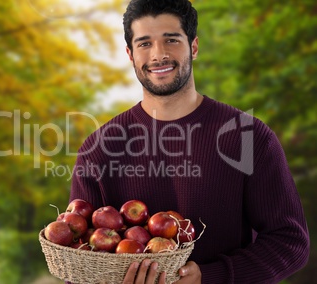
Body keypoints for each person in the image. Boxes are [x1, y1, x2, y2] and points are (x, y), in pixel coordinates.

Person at [69, 0, 310, 283]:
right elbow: (77, 262)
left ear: (193, 47)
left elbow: (291, 242)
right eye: (145, 44)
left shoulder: (248, 135)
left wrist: (211, 277)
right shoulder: (98, 149)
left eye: (171, 40)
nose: (158, 55)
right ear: (130, 55)